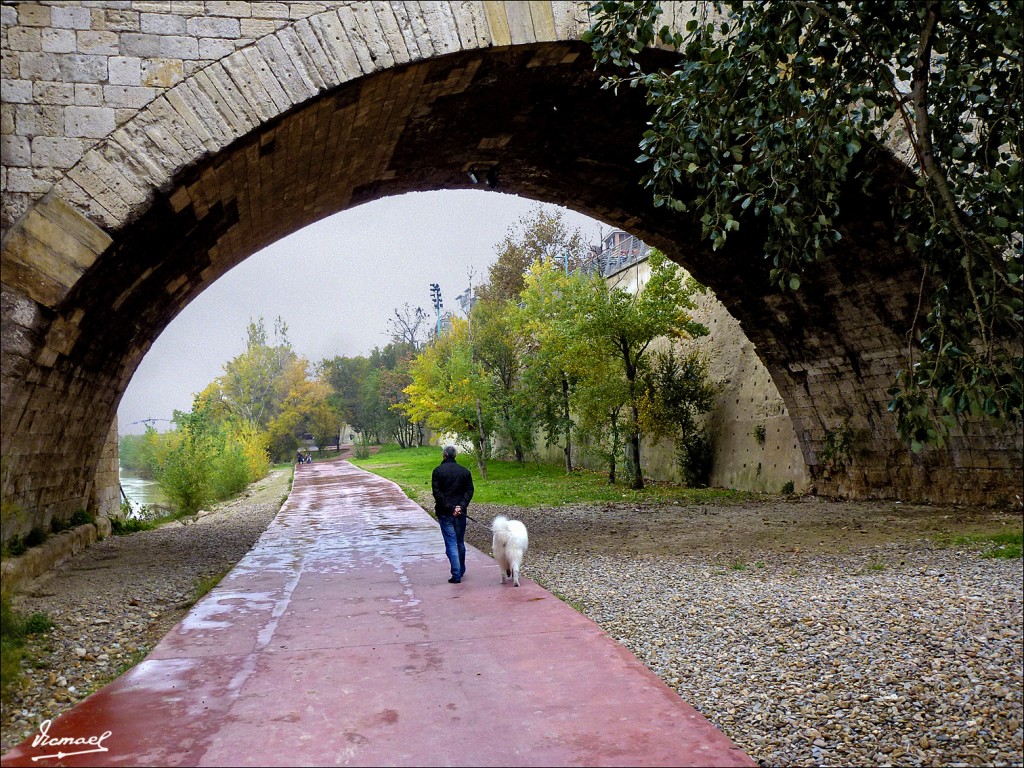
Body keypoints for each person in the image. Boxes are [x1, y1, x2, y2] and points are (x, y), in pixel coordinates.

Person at [431, 445, 474, 583]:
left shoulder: (437, 471)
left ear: (444, 455)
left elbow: (437, 493)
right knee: (460, 542)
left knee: (451, 543)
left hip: (445, 513)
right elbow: (469, 491)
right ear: (455, 455)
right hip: (460, 513)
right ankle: (461, 569)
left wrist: (450, 508)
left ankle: (456, 574)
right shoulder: (464, 471)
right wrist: (460, 506)